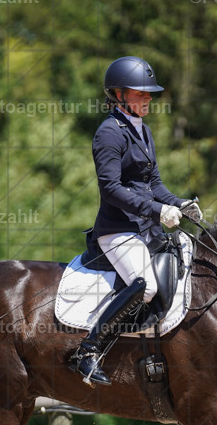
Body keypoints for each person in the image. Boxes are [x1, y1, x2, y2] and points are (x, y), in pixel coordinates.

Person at [72, 56, 202, 386]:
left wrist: (180, 204)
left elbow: (154, 183)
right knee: (145, 285)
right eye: (140, 93)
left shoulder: (143, 131)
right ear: (118, 94)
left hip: (146, 227)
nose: (147, 98)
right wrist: (157, 211)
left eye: (149, 93)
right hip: (118, 229)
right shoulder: (108, 133)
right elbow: (111, 189)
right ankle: (88, 350)